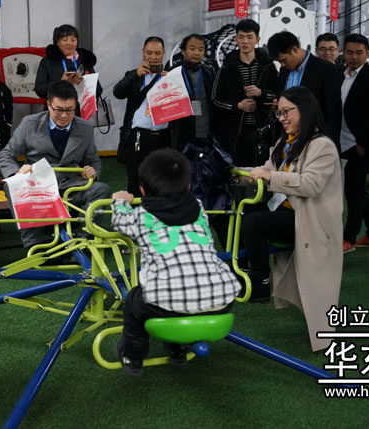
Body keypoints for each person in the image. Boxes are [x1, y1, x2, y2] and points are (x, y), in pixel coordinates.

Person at [112, 148, 240, 376]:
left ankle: (132, 356)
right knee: (175, 290)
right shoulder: (199, 209)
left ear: (143, 190)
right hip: (222, 300)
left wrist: (120, 202)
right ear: (188, 185)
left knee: (134, 300)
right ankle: (178, 349)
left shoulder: (142, 216)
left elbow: (120, 222)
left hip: (168, 305)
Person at [238, 86, 343, 351]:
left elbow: (311, 184)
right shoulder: (285, 143)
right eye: (279, 113)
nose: (281, 118)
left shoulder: (322, 145)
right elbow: (266, 170)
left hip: (312, 220)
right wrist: (238, 174)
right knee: (247, 213)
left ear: (305, 110)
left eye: (286, 112)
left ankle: (259, 282)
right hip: (290, 212)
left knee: (254, 222)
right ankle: (250, 271)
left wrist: (269, 176)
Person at [0, 81, 111, 249]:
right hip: (37, 186)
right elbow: (5, 155)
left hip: (71, 185)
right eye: (59, 110)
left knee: (101, 189)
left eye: (69, 110)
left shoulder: (85, 127)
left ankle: (84, 237)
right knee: (12, 185)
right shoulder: (30, 123)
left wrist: (92, 172)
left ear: (76, 106)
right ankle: (33, 244)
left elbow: (93, 160)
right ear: (48, 105)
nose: (64, 115)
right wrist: (17, 173)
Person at [338, 33, 369, 252]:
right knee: (357, 188)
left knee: (353, 190)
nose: (354, 57)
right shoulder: (340, 75)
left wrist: (362, 143)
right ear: (344, 53)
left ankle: (348, 238)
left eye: (359, 53)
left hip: (362, 144)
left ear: (367, 53)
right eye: (350, 52)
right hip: (342, 139)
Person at [113, 36, 172, 195]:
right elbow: (118, 92)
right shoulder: (134, 76)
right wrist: (135, 74)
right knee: (135, 180)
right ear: (143, 53)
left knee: (161, 180)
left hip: (163, 136)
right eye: (149, 53)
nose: (153, 57)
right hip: (138, 135)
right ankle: (135, 210)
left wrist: (172, 83)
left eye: (157, 53)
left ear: (164, 53)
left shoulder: (170, 77)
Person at [212, 19, 274, 166]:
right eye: (241, 37)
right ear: (236, 39)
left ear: (257, 40)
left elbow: (279, 94)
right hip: (234, 132)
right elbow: (215, 99)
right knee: (235, 171)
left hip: (261, 130)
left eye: (249, 37)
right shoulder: (227, 66)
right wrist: (238, 106)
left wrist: (262, 93)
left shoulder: (268, 66)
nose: (245, 41)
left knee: (261, 170)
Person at [267, 31, 342, 145]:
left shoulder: (325, 69)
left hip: (314, 137)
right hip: (287, 137)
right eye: (279, 62)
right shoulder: (284, 70)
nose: (282, 64)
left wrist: (331, 143)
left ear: (294, 49)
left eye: (283, 60)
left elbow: (333, 111)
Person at [169, 34, 217, 150]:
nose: (196, 53)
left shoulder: (209, 72)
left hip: (206, 132)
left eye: (201, 50)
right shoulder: (173, 73)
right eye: (192, 49)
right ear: (183, 51)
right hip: (182, 133)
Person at [34, 24, 102, 103]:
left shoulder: (85, 59)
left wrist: (83, 83)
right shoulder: (47, 62)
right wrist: (61, 82)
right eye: (65, 40)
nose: (69, 43)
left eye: (73, 40)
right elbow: (39, 90)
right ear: (57, 42)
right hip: (57, 108)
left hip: (80, 108)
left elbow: (98, 90)